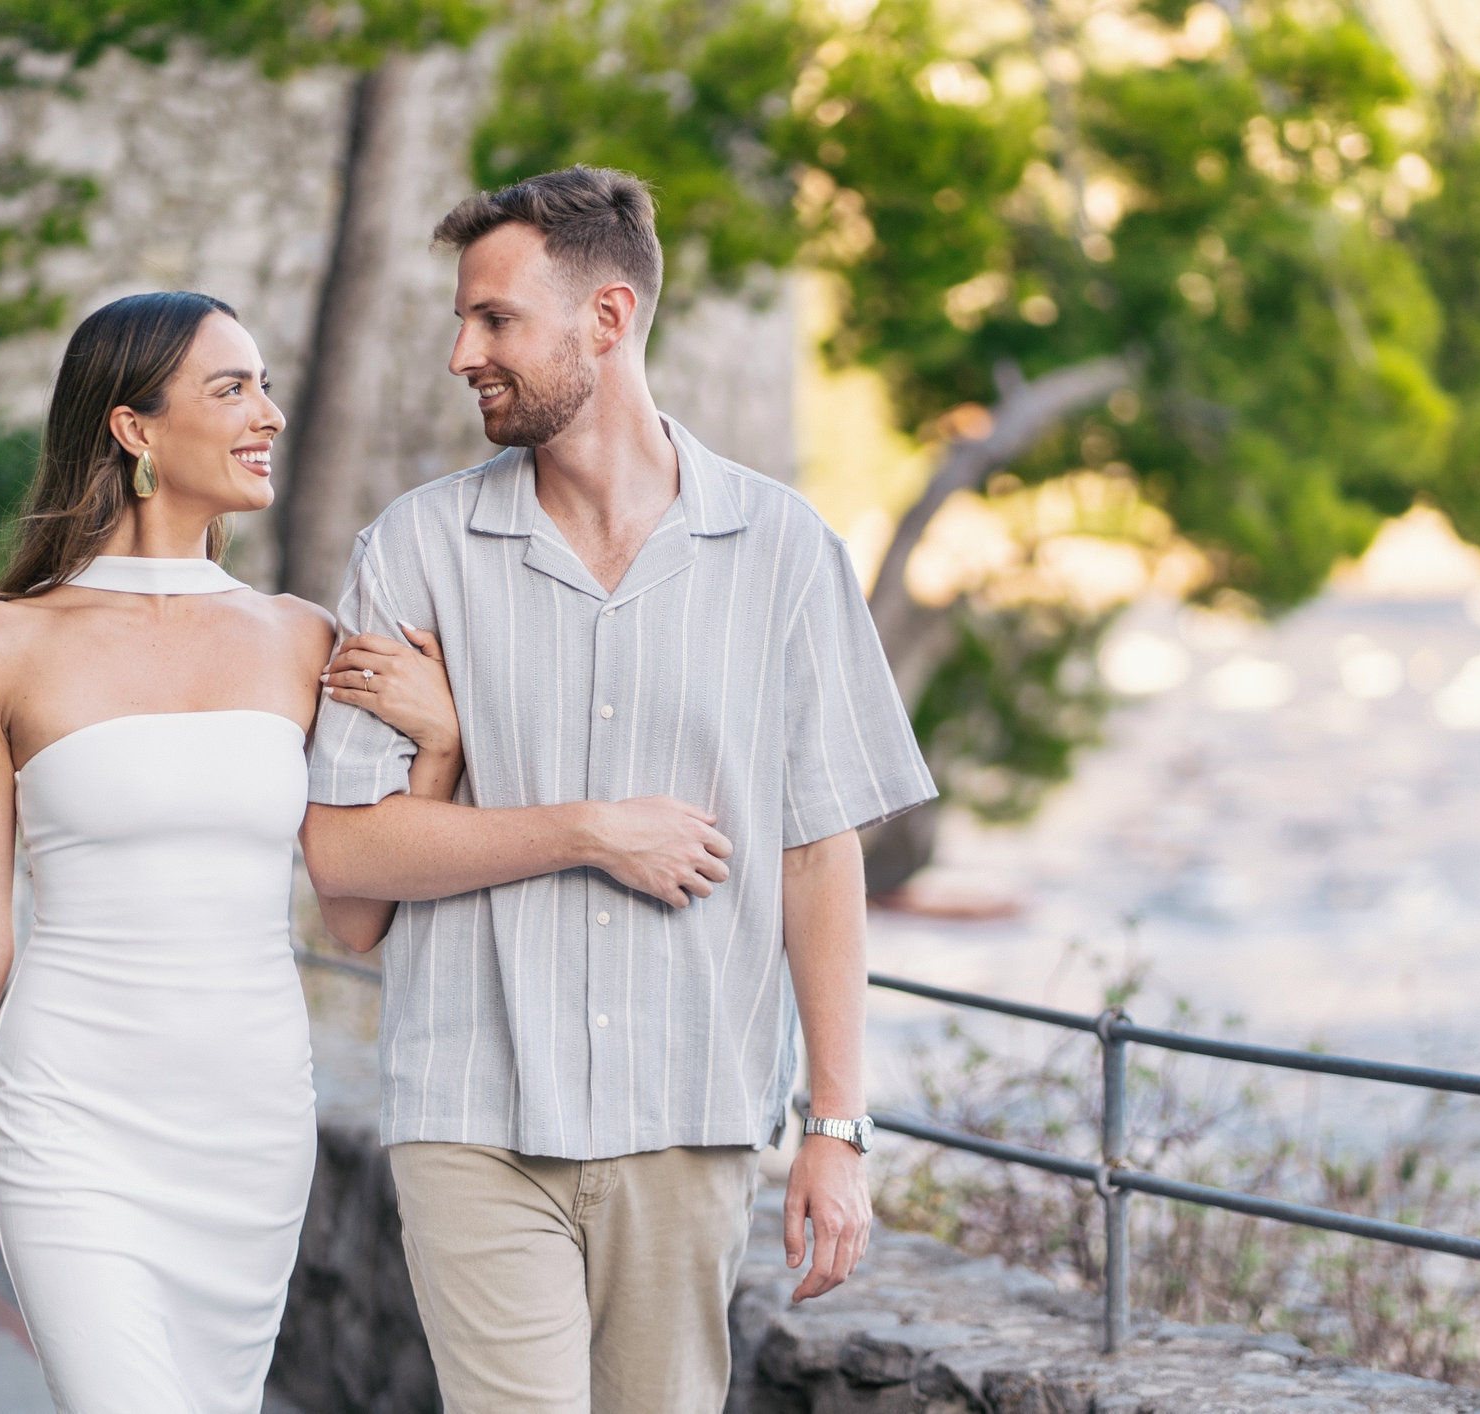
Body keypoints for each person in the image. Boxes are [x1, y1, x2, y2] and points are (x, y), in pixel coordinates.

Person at [300, 165, 938, 1412]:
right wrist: (590, 829)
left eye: (493, 320)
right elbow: (345, 860)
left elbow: (819, 853)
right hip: (471, 1109)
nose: (460, 354)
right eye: (460, 319)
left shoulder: (785, 551)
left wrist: (838, 1126)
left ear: (608, 318)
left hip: (690, 1113)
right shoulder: (414, 552)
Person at [0, 291, 463, 1411]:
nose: (272, 412)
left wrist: (439, 746)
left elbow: (354, 913)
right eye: (233, 387)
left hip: (248, 1124)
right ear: (134, 429)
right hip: (71, 1118)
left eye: (264, 383)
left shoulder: (305, 637)